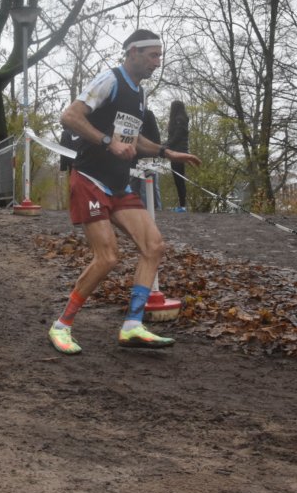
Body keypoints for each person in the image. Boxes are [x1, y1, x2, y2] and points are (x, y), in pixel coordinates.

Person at [48, 29, 201, 355]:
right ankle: (62, 325)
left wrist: (166, 152)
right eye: (153, 55)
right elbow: (69, 116)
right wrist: (107, 142)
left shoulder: (139, 94)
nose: (157, 62)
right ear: (133, 52)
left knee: (154, 245)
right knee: (107, 257)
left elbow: (133, 140)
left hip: (117, 184)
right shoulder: (110, 80)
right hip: (89, 179)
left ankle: (132, 325)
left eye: (160, 56)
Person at [134, 109, 163, 212]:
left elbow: (156, 134)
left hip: (149, 156)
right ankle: (142, 207)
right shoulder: (133, 113)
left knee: (149, 185)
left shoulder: (148, 113)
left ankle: (156, 208)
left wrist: (157, 152)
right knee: (138, 185)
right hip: (136, 156)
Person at [166, 100, 190, 212]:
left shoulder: (179, 119)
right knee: (179, 180)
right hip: (179, 151)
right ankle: (182, 205)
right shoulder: (181, 119)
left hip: (178, 152)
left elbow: (176, 137)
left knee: (179, 179)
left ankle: (182, 206)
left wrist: (165, 146)